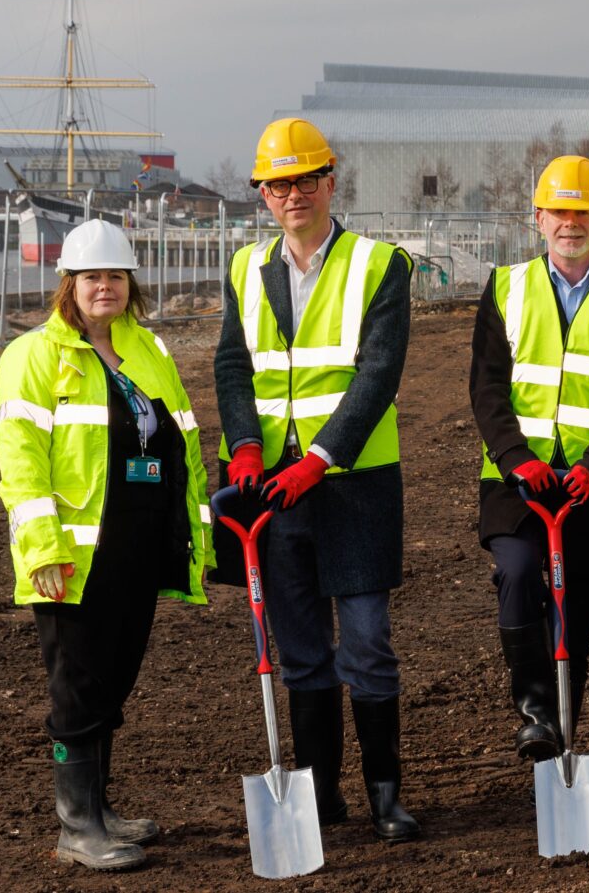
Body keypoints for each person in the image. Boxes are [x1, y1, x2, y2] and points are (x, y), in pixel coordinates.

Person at [212, 117, 419, 842]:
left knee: (365, 641)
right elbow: (233, 366)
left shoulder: (380, 265)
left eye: (306, 178)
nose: (293, 193)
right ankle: (321, 795)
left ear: (332, 180)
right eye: (278, 183)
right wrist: (243, 445)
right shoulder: (244, 269)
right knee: (298, 645)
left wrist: (319, 457)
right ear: (262, 194)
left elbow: (378, 373)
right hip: (271, 487)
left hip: (352, 481)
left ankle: (386, 795)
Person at [0, 219, 213, 871]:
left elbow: (182, 443)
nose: (105, 287)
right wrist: (41, 551)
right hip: (74, 558)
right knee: (79, 688)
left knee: (113, 680)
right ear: (69, 283)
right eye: (92, 276)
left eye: (115, 275)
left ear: (131, 283)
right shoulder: (34, 357)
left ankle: (101, 808)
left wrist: (193, 532)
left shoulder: (147, 350)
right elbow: (21, 463)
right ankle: (77, 825)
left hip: (137, 547)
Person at [470, 155, 589, 763]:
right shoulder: (505, 287)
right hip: (516, 480)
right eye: (559, 211)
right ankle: (532, 712)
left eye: (583, 212)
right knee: (520, 573)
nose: (570, 223)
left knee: (576, 617)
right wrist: (513, 458)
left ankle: (558, 741)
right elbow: (487, 387)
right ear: (538, 218)